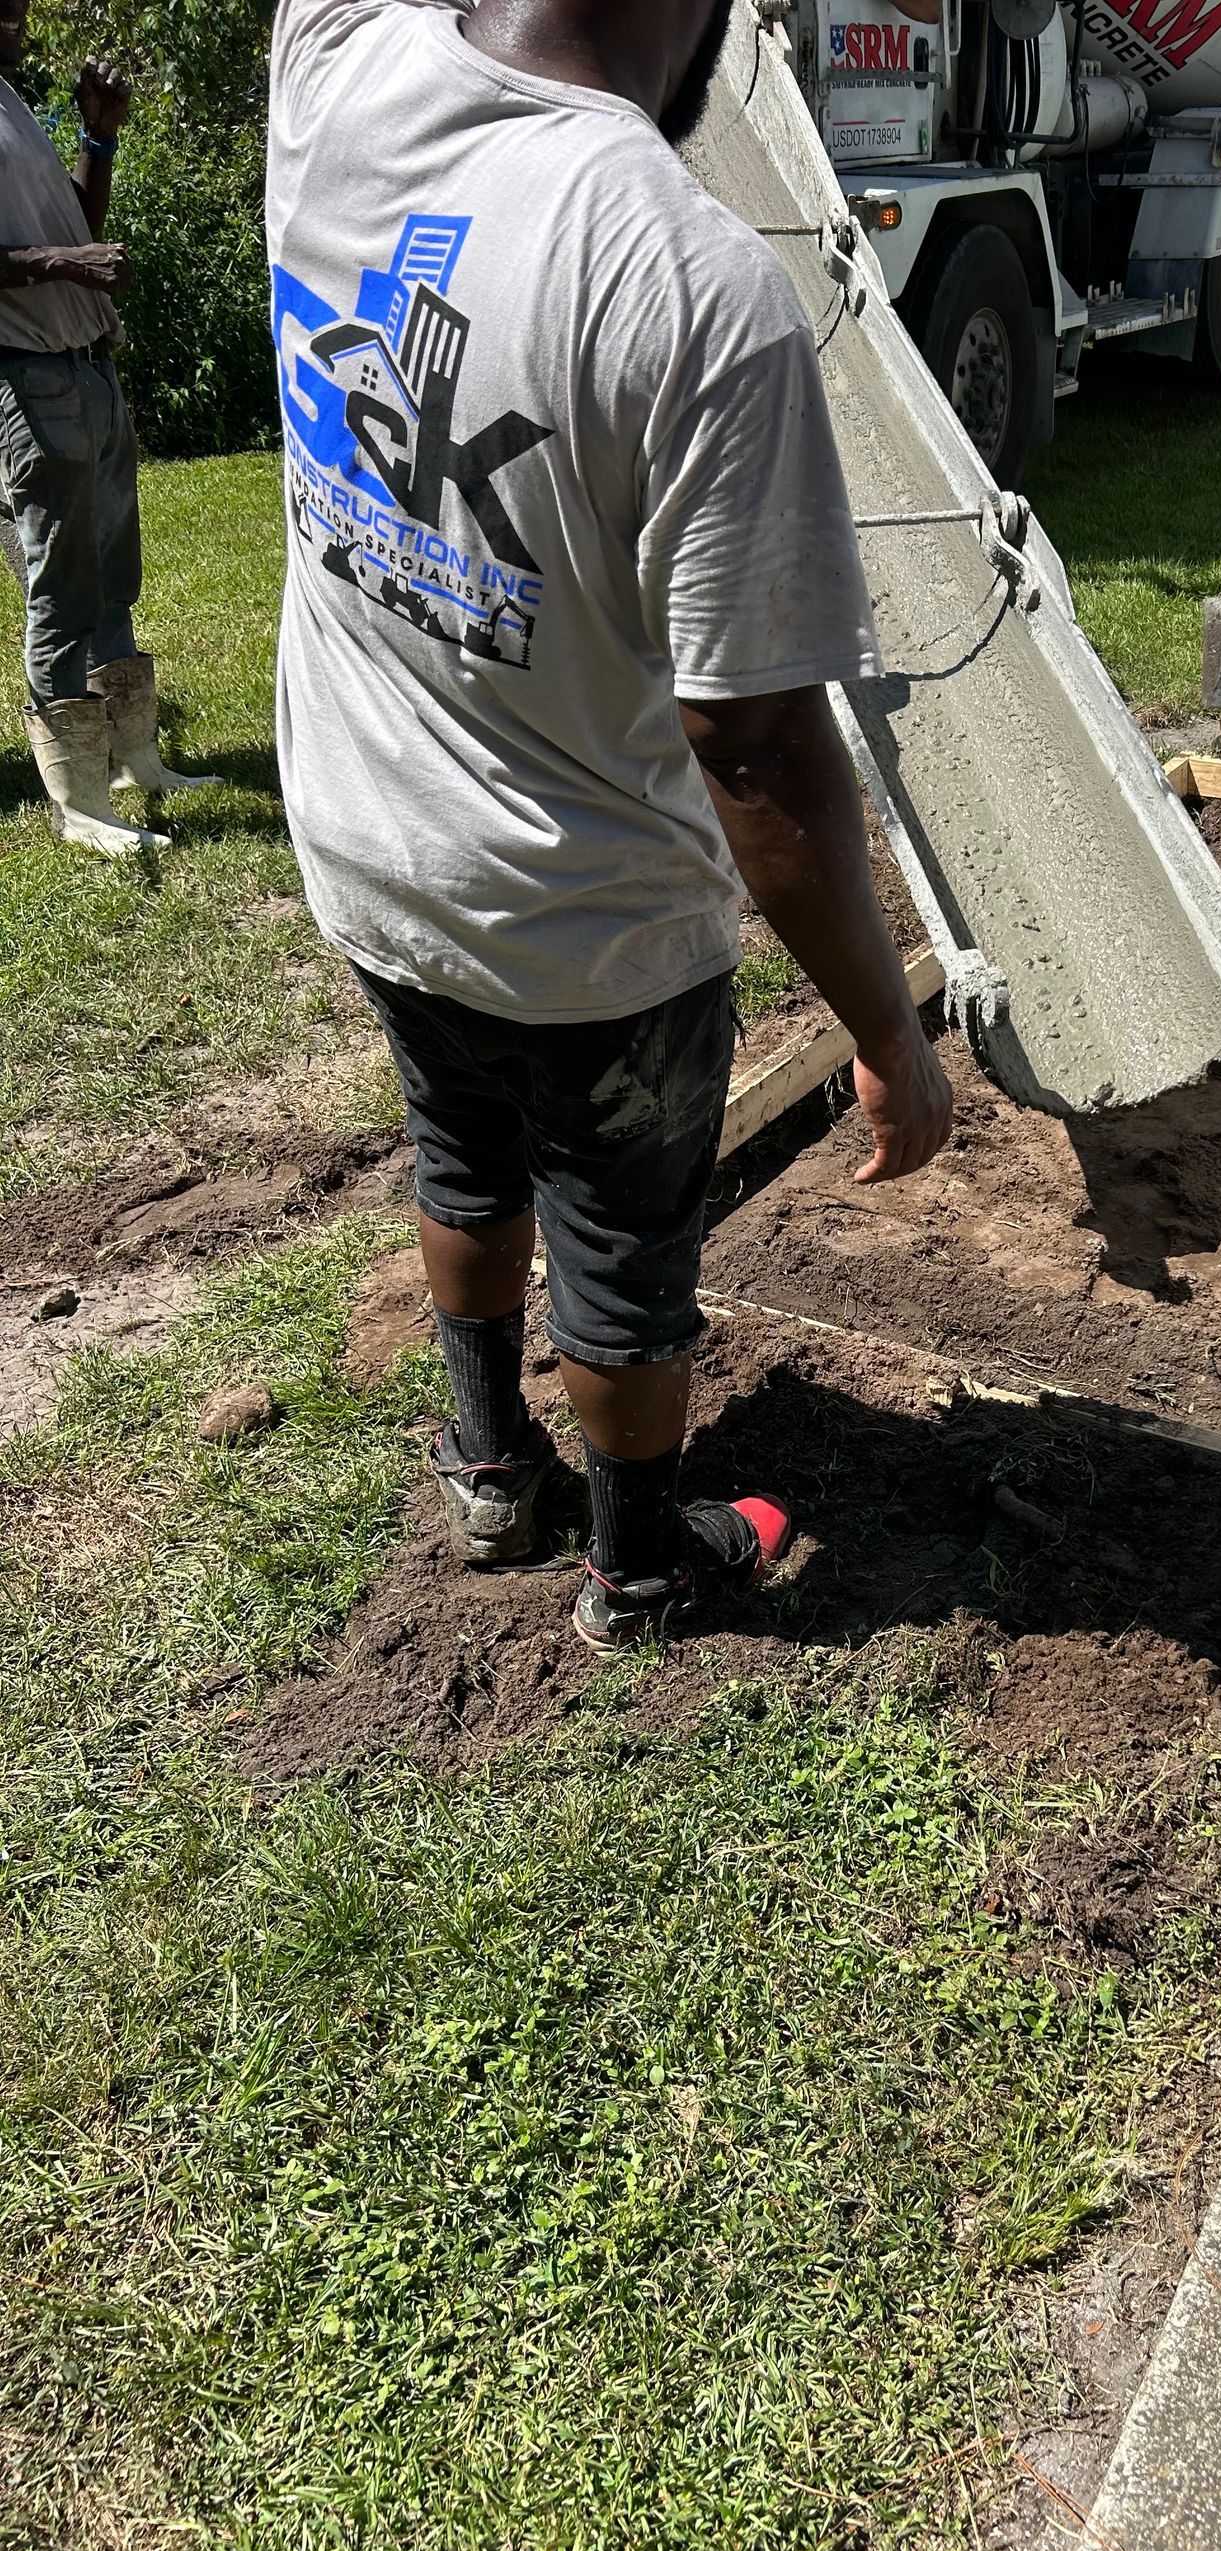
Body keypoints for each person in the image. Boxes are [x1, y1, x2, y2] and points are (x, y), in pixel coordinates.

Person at [266, 0, 954, 1652]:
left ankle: (493, 1465)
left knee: (460, 1150)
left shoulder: (331, 62)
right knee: (623, 1249)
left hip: (367, 850)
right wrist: (885, 1031)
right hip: (586, 927)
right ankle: (636, 1565)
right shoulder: (689, 285)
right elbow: (756, 742)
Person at [0, 6, 212, 852]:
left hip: (88, 361)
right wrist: (62, 265)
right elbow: (64, 255)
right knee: (62, 583)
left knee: (114, 569)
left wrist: (100, 139)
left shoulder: (11, 102)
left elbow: (77, 234)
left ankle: (134, 759)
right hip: (26, 373)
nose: (19, 10)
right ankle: (79, 804)